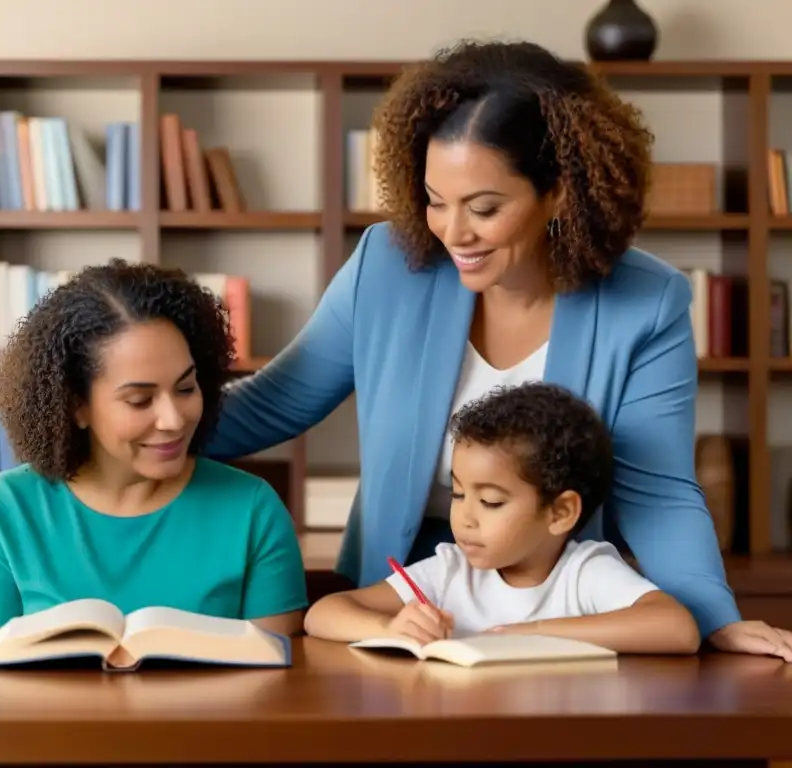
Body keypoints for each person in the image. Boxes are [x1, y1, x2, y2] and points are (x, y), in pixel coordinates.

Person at [203, 39, 792, 661]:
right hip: (403, 599)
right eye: (435, 201)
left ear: (559, 192)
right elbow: (273, 405)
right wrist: (125, 421)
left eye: (484, 208)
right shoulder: (386, 266)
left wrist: (713, 619)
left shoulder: (646, 302)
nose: (453, 233)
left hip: (552, 605)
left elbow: (660, 490)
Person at [0, 260, 308, 642]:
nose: (173, 419)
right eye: (139, 399)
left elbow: (274, 685)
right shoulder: (8, 507)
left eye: (185, 389)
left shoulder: (253, 510)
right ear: (76, 405)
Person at [304, 382, 702, 654]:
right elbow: (324, 613)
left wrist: (529, 635)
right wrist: (389, 629)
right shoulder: (449, 571)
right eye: (459, 494)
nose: (464, 518)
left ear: (560, 512)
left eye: (491, 502)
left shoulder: (584, 571)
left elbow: (677, 628)